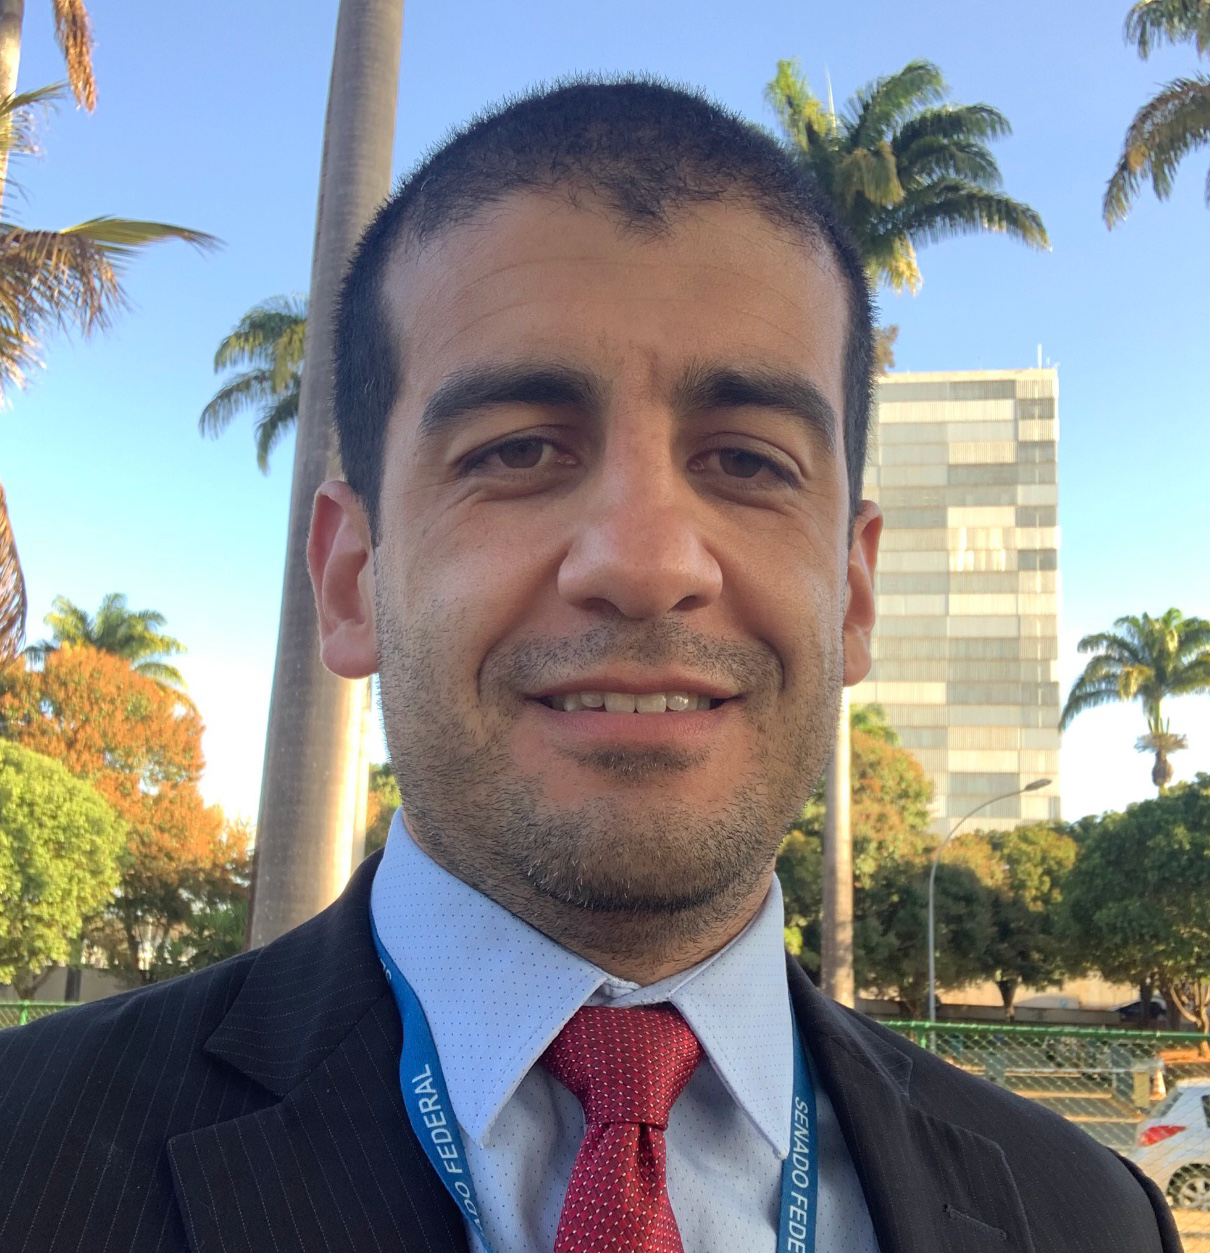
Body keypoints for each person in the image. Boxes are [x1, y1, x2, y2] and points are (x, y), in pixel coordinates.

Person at [0, 80, 1181, 1253]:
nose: (645, 561)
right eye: (517, 449)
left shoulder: (1090, 1218)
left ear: (853, 591)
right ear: (352, 577)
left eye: (748, 461)